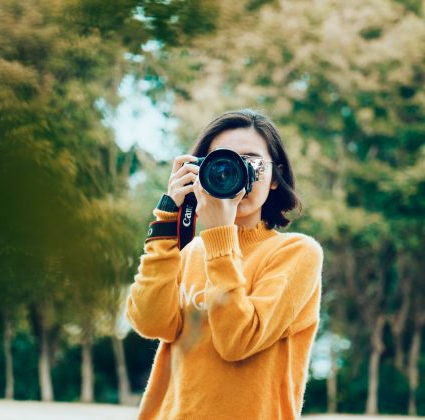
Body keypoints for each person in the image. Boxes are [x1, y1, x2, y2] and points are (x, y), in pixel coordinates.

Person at [126, 109, 324, 419]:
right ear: (199, 171)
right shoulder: (190, 251)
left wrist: (220, 236)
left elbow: (237, 341)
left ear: (275, 178)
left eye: (251, 163)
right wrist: (167, 219)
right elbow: (150, 322)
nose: (235, 173)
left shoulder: (296, 254)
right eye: (220, 162)